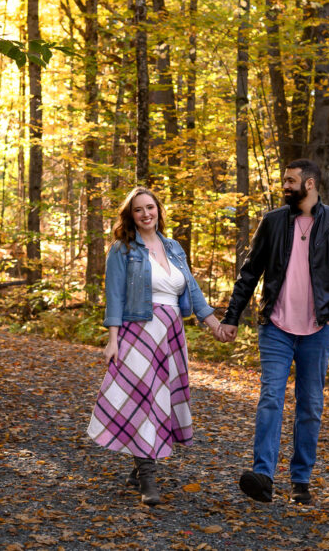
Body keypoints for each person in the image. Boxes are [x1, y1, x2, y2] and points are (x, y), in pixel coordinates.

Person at [217, 159, 329, 505]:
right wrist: (231, 317)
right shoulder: (272, 222)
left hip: (317, 331)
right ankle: (263, 476)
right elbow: (249, 273)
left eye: (291, 181)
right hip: (276, 327)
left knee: (310, 405)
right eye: (284, 180)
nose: (285, 186)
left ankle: (301, 480)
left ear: (310, 184)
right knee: (271, 397)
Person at [87, 186, 225, 506]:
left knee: (161, 398)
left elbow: (191, 289)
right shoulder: (122, 249)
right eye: (139, 209)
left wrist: (215, 325)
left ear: (159, 211)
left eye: (151, 207)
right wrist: (113, 340)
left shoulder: (174, 247)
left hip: (172, 331)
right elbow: (115, 298)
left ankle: (140, 463)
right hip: (139, 330)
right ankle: (148, 476)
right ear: (131, 215)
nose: (146, 214)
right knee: (142, 399)